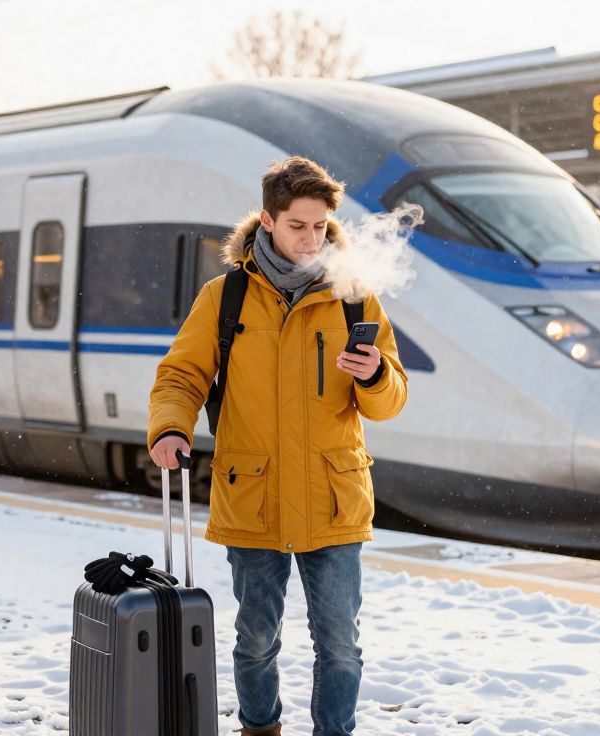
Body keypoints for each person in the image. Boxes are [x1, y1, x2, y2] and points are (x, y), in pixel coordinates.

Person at [146, 156, 409, 736]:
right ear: (267, 220)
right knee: (256, 638)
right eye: (297, 225)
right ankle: (259, 729)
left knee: (340, 644)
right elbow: (182, 375)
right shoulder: (226, 297)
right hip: (255, 495)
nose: (311, 238)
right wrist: (170, 428)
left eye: (320, 226)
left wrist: (373, 376)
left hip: (332, 496)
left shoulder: (355, 298)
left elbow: (390, 401)